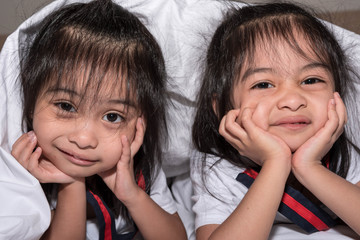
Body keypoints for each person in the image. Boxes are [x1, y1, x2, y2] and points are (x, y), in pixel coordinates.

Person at [10, 0, 187, 239]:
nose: (84, 139)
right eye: (66, 106)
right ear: (30, 103)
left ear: (139, 125)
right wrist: (71, 183)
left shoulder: (133, 165)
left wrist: (131, 194)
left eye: (112, 116)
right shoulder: (22, 170)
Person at [191, 2, 360, 240]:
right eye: (263, 84)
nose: (292, 101)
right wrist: (275, 163)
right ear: (222, 108)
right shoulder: (218, 164)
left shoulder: (340, 143)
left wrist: (309, 166)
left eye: (311, 80)